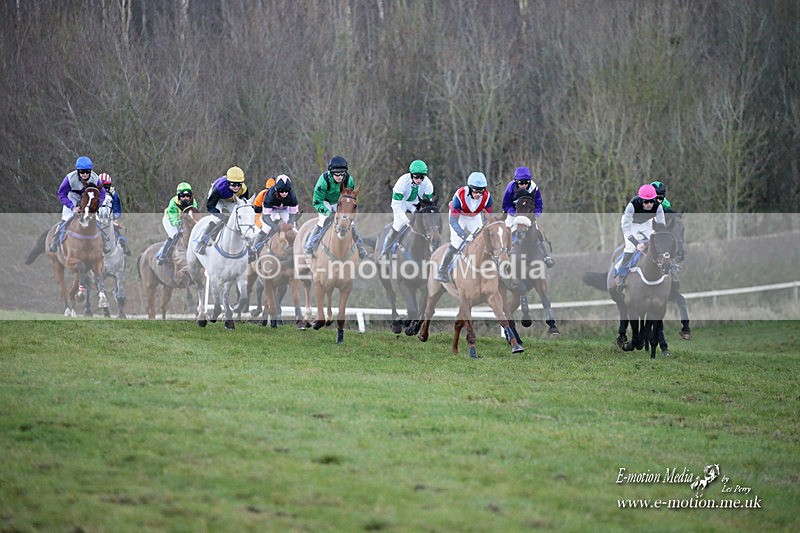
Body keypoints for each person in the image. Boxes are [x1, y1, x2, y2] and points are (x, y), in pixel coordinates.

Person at [304, 155, 367, 259]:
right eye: (337, 174)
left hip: (340, 202)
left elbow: (349, 198)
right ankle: (311, 244)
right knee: (323, 220)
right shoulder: (323, 181)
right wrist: (329, 213)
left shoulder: (349, 180)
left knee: (350, 222)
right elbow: (316, 202)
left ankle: (359, 246)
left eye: (342, 174)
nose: (340, 177)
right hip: (324, 202)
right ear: (331, 172)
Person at [435, 172, 494, 282]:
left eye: (481, 191)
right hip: (459, 217)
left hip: (474, 216)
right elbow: (453, 221)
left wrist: (486, 229)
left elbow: (488, 217)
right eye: (475, 191)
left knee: (485, 240)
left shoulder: (487, 197)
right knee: (456, 243)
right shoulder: (460, 196)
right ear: (470, 188)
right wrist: (463, 234)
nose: (478, 194)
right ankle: (441, 270)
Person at [652, 180, 691, 339]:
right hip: (645, 242)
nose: (659, 200)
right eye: (657, 197)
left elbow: (676, 230)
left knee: (675, 286)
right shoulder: (642, 205)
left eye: (661, 197)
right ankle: (622, 275)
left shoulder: (667, 208)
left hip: (662, 247)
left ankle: (685, 325)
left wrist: (678, 249)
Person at [379, 159, 435, 258]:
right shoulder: (402, 182)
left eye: (422, 177)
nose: (419, 180)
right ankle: (385, 252)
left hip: (416, 205)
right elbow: (395, 205)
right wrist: (405, 219)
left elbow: (426, 205)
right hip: (401, 204)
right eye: (416, 177)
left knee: (426, 226)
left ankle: (431, 249)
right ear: (411, 174)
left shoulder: (428, 184)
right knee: (398, 225)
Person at [49, 156, 106, 252]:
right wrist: (72, 207)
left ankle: (105, 242)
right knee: (66, 218)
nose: (85, 174)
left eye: (87, 171)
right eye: (82, 172)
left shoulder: (95, 178)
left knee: (97, 218)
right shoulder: (69, 178)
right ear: (77, 171)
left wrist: (96, 206)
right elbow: (61, 193)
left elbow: (102, 193)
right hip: (73, 197)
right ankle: (55, 240)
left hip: (88, 198)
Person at [501, 166, 554, 267]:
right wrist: (515, 214)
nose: (524, 185)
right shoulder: (510, 187)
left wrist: (534, 215)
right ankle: (505, 256)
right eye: (521, 183)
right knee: (508, 231)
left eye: (526, 182)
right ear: (516, 181)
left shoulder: (534, 188)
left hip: (528, 214)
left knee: (537, 231)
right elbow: (505, 205)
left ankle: (546, 256)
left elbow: (539, 205)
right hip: (513, 214)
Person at [615, 183, 665, 289]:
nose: (649, 204)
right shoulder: (631, 206)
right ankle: (621, 276)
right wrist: (637, 244)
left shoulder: (658, 207)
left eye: (652, 201)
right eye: (646, 201)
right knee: (631, 247)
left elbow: (661, 227)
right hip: (631, 224)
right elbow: (626, 229)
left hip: (647, 223)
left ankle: (669, 269)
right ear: (641, 200)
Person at [195, 166, 251, 255]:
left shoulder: (244, 189)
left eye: (239, 184)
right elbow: (210, 206)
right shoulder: (219, 188)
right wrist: (220, 215)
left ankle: (249, 246)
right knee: (216, 219)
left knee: (241, 217)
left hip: (231, 200)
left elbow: (244, 206)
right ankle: (201, 242)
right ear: (228, 182)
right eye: (233, 184)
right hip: (218, 200)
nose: (236, 187)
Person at [253, 174, 299, 250]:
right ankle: (255, 249)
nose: (284, 193)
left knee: (293, 228)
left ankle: (300, 247)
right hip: (272, 209)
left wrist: (290, 223)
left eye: (286, 190)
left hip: (284, 209)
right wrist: (274, 226)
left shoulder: (292, 195)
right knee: (266, 228)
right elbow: (265, 217)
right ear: (276, 189)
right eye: (281, 190)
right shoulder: (270, 195)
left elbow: (293, 214)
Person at [156, 182, 197, 265]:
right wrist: (177, 223)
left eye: (188, 195)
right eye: (183, 196)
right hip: (169, 220)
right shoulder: (173, 202)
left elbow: (194, 213)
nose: (185, 198)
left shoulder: (193, 202)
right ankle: (163, 254)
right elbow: (172, 216)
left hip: (183, 220)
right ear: (179, 195)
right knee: (174, 234)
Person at [97, 173, 131, 256]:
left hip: (109, 219)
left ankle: (124, 246)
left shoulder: (114, 194)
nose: (104, 189)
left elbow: (117, 209)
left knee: (118, 233)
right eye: (102, 186)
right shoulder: (94, 194)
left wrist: (114, 217)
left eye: (106, 186)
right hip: (97, 220)